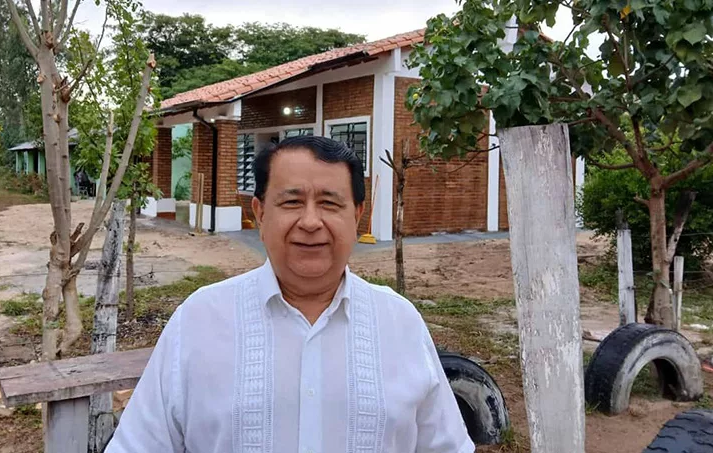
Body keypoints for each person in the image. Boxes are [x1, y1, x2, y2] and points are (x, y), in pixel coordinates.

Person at [106, 135, 474, 453]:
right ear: (260, 214)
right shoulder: (199, 320)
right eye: (292, 202)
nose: (310, 222)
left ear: (357, 216)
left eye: (329, 203)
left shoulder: (400, 322)